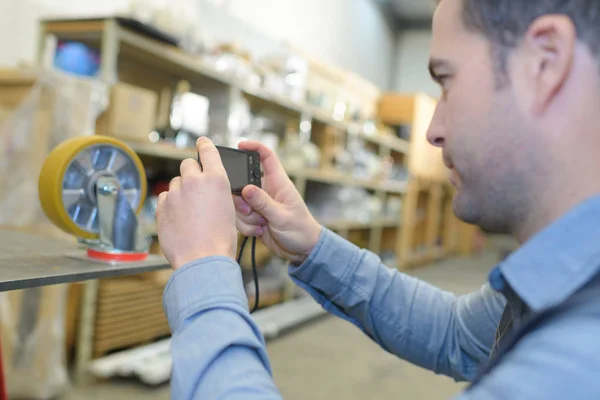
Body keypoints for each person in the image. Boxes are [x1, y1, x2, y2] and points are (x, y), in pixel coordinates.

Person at [156, 0, 600, 398]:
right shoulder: (564, 282)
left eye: (446, 82)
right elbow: (457, 335)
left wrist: (203, 271)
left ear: (546, 60)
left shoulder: (577, 359)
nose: (433, 130)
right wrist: (312, 244)